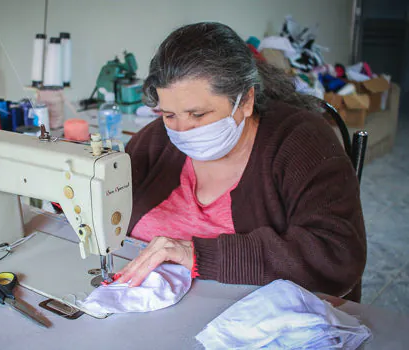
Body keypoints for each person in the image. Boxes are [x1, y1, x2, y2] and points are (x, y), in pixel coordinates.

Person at [115, 22, 366, 301]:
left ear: (245, 100)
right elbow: (109, 200)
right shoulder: (157, 141)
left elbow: (337, 254)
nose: (181, 130)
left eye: (197, 114)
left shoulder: (302, 143)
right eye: (169, 114)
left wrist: (198, 254)